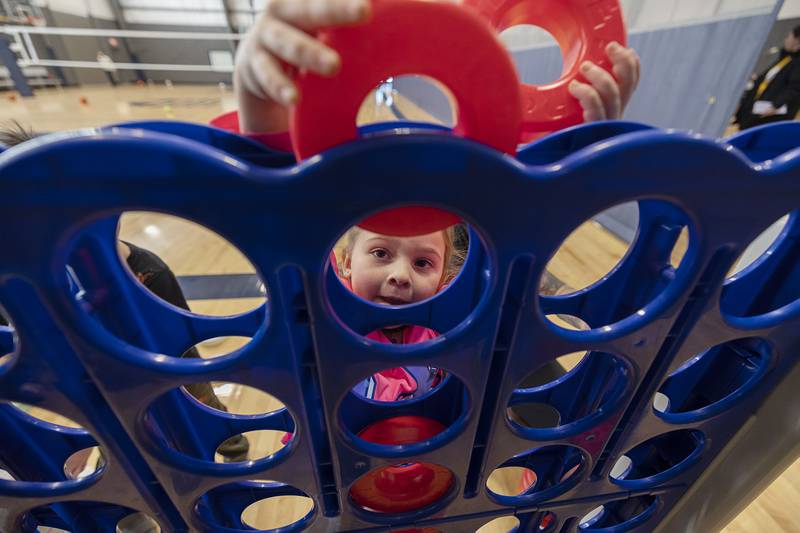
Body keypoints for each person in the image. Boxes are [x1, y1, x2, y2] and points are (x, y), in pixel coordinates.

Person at [0, 122, 249, 463]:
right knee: (115, 423)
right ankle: (123, 476)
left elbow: (181, 344)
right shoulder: (14, 285)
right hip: (91, 375)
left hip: (156, 350)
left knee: (193, 390)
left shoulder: (147, 269)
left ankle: (228, 440)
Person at [735, 25, 800, 130]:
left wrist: (775, 105)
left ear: (797, 40)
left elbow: (794, 89)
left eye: (789, 36)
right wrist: (757, 80)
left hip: (768, 115)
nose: (786, 39)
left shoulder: (796, 64)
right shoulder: (787, 59)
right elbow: (772, 83)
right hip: (755, 111)